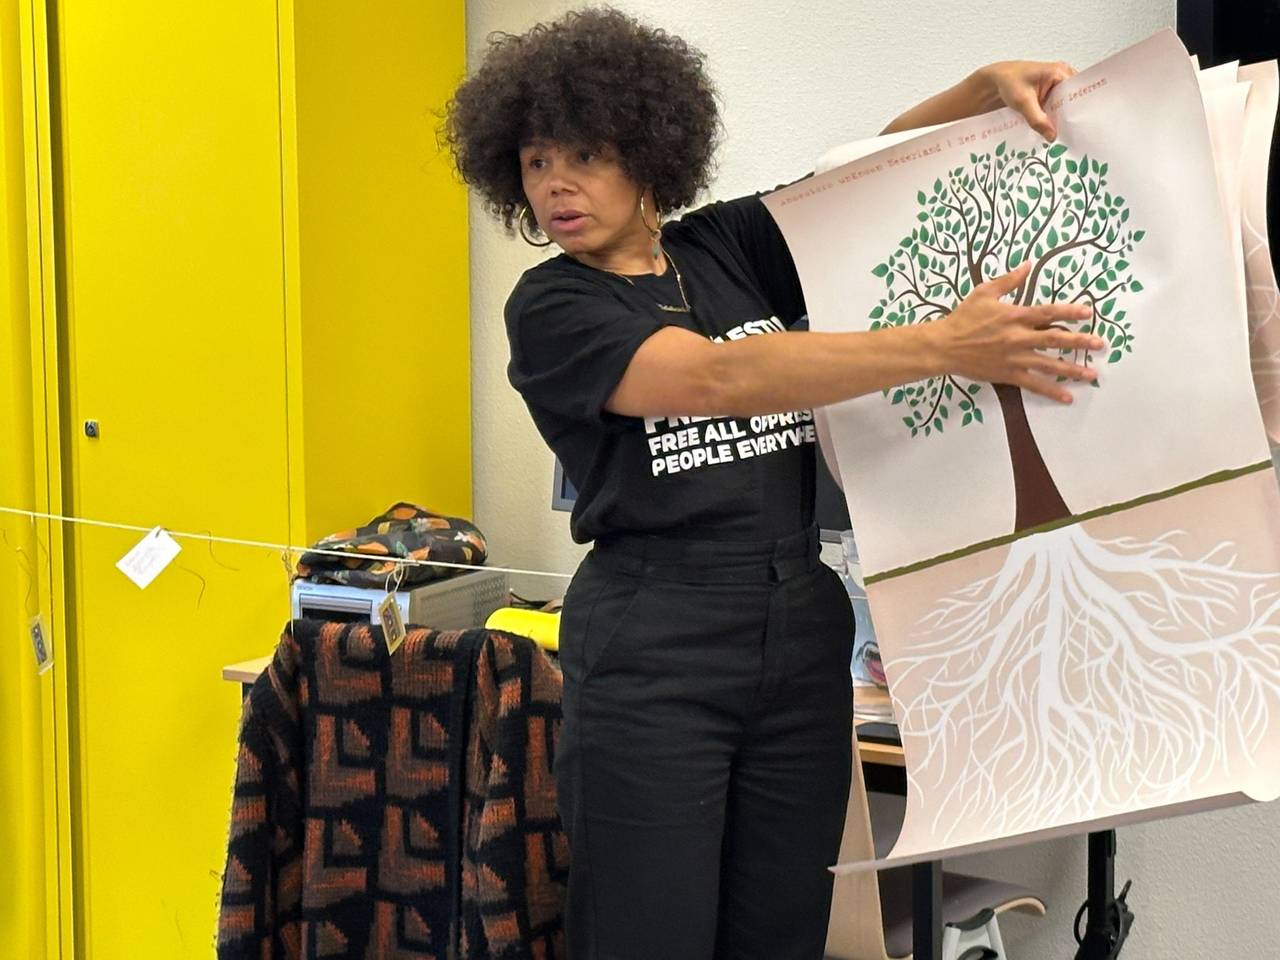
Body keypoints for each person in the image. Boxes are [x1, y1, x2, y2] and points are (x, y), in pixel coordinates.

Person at [444, 9, 1100, 959]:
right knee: (648, 934)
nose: (556, 184)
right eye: (536, 162)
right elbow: (713, 379)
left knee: (783, 930)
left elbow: (857, 186)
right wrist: (944, 346)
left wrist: (977, 90)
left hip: (799, 624)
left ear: (647, 156)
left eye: (583, 155)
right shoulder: (552, 305)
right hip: (656, 639)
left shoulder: (722, 248)